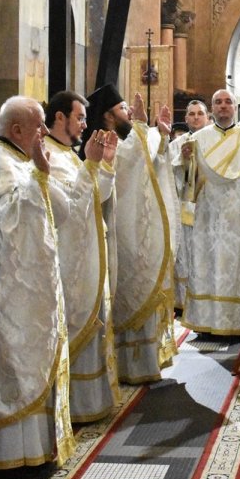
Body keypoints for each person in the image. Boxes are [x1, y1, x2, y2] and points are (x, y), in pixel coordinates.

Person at [0, 96, 74, 479]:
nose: (43, 133)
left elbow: (61, 210)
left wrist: (40, 175)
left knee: (29, 362)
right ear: (17, 130)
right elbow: (4, 227)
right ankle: (12, 458)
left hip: (25, 288)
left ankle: (34, 452)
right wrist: (39, 177)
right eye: (38, 126)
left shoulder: (18, 160)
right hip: (6, 293)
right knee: (13, 365)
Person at [87, 86, 179, 384]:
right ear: (107, 116)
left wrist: (160, 136)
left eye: (128, 108)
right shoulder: (101, 141)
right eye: (123, 108)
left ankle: (146, 360)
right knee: (129, 290)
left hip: (136, 229)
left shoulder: (126, 139)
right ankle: (129, 365)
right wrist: (142, 126)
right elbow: (130, 159)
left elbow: (149, 159)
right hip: (119, 231)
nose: (127, 112)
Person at [43, 91, 119, 422]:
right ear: (60, 117)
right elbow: (70, 210)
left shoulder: (69, 154)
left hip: (87, 252)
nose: (86, 124)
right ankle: (73, 406)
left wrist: (105, 165)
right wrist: (92, 164)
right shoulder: (49, 156)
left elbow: (95, 198)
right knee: (78, 322)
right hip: (68, 257)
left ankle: (89, 402)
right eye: (80, 118)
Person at [178, 90, 240, 340]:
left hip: (236, 214)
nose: (223, 106)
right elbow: (188, 184)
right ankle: (205, 322)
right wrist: (186, 162)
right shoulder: (198, 139)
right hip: (207, 215)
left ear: (235, 107)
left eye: (227, 102)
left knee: (235, 266)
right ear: (212, 108)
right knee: (205, 265)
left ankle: (233, 322)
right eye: (217, 102)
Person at [169, 99, 209, 312]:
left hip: (208, 206)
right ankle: (184, 302)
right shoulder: (176, 144)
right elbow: (168, 175)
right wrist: (182, 161)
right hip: (185, 207)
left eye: (200, 114)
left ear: (207, 117)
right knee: (185, 253)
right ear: (185, 119)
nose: (195, 117)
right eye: (191, 114)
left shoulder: (214, 141)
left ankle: (206, 297)